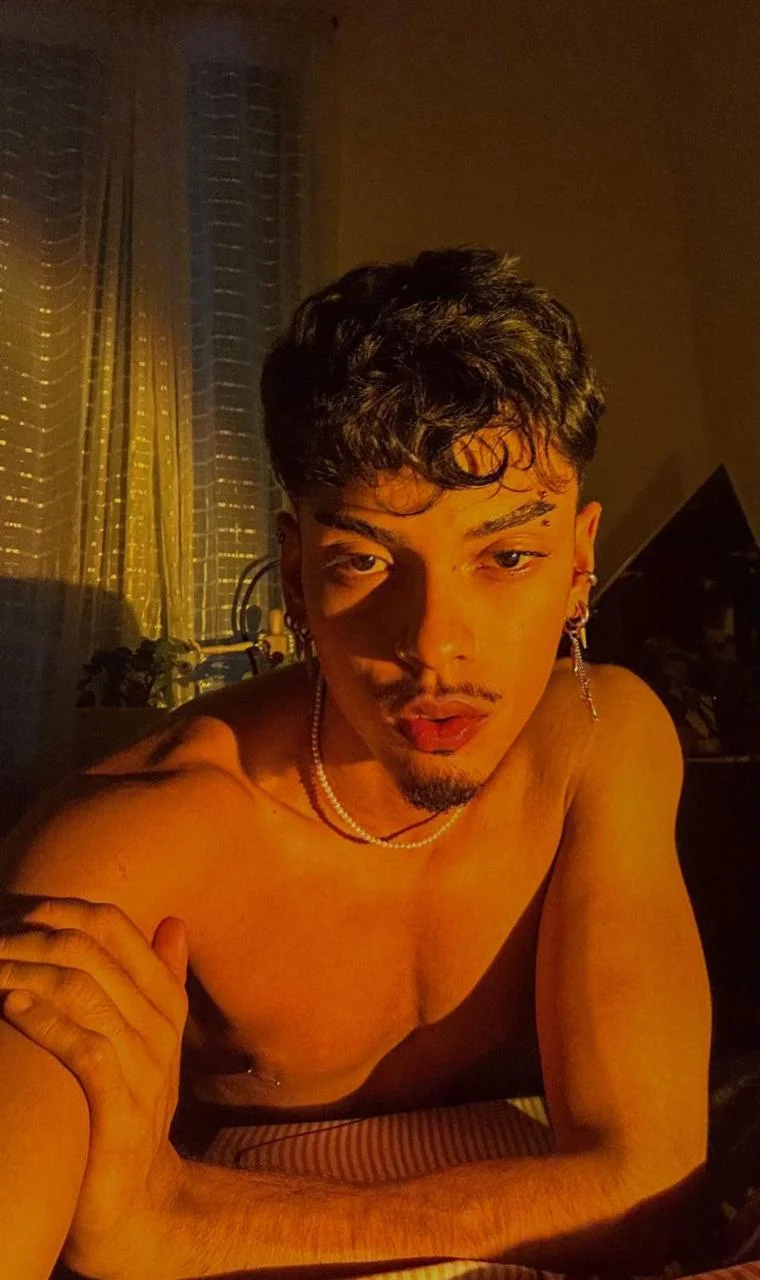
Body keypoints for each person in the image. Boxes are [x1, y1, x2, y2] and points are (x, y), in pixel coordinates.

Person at [0, 247, 711, 1278]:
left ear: (578, 561)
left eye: (507, 556)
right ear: (296, 574)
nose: (434, 644)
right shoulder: (132, 843)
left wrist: (179, 1218)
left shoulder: (599, 740)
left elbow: (649, 1188)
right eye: (364, 560)